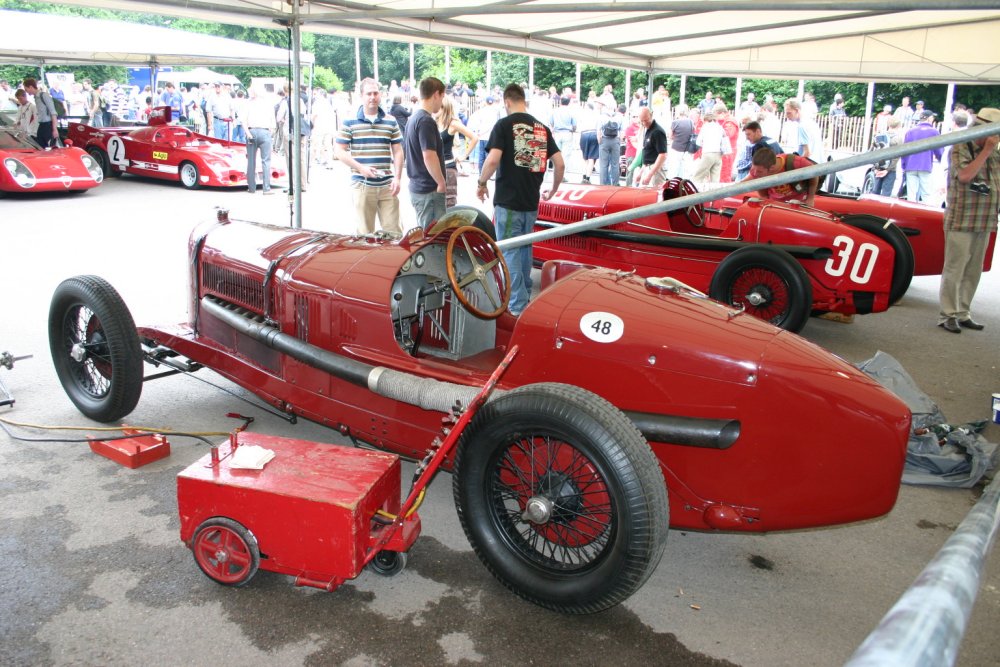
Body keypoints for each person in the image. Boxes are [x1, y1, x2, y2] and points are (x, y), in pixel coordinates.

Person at [476, 83, 564, 317]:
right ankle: (524, 297)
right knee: (525, 247)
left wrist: (481, 183)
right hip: (530, 201)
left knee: (510, 251)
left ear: (507, 102)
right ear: (524, 100)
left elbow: (492, 160)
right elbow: (560, 164)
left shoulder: (504, 125)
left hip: (508, 201)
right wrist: (553, 189)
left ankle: (516, 306)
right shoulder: (542, 129)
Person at [937, 108, 1000, 333]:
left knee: (974, 270)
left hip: (985, 219)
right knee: (955, 268)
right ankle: (948, 314)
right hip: (962, 218)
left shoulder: (995, 153)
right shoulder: (961, 146)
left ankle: (963, 312)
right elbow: (965, 176)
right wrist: (987, 151)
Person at [334, 78, 404, 235]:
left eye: (375, 93)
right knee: (365, 235)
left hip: (387, 184)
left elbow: (398, 151)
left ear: (380, 95)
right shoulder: (350, 121)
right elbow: (339, 150)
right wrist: (360, 168)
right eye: (369, 94)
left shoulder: (390, 121)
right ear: (361, 96)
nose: (373, 97)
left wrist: (398, 178)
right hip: (362, 184)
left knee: (394, 233)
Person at [404, 76, 447, 230]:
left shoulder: (413, 119)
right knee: (434, 237)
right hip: (429, 190)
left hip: (419, 188)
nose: (442, 102)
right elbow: (429, 156)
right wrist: (441, 182)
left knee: (426, 233)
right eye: (442, 96)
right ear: (436, 94)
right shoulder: (425, 121)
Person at [435, 94, 478, 208]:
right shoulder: (433, 122)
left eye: (438, 106)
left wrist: (464, 156)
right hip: (434, 168)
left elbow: (474, 137)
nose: (435, 109)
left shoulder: (453, 123)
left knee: (449, 203)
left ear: (444, 107)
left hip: (448, 167)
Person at [745, 147, 819, 206]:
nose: (755, 173)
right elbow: (762, 195)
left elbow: (815, 174)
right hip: (774, 202)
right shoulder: (756, 169)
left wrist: (810, 198)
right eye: (753, 169)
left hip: (797, 201)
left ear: (772, 168)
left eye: (759, 171)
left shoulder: (796, 162)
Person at [901, 109, 942, 203]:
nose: (933, 119)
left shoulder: (910, 131)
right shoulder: (934, 132)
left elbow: (904, 150)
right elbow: (939, 150)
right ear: (929, 118)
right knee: (926, 193)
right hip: (925, 165)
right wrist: (942, 160)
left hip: (910, 165)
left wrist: (903, 165)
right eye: (932, 117)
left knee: (911, 194)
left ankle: (910, 210)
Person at [243, 86, 276, 196]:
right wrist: (269, 134)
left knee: (251, 161)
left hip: (251, 131)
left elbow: (243, 121)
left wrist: (248, 134)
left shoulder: (248, 104)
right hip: (265, 132)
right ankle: (266, 188)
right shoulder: (268, 104)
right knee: (266, 161)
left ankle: (251, 187)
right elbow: (273, 123)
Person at [692, 111, 729, 183]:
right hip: (718, 154)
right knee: (715, 178)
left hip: (708, 153)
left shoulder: (705, 127)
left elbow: (698, 142)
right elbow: (724, 140)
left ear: (706, 120)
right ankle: (715, 190)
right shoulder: (720, 127)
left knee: (698, 176)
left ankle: (695, 189)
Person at [871, 117, 903, 197]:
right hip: (890, 169)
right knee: (886, 194)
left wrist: (875, 168)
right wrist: (888, 170)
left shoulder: (879, 136)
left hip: (879, 166)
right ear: (899, 126)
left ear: (888, 125)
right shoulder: (898, 138)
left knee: (875, 192)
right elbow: (896, 157)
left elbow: (873, 152)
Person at [468, 96, 501, 173]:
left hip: (481, 136)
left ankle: (481, 173)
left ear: (486, 102)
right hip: (490, 137)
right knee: (488, 156)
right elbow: (493, 125)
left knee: (481, 156)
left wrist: (479, 132)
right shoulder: (495, 112)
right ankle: (488, 173)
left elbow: (477, 123)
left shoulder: (481, 111)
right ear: (493, 102)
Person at [637, 107, 668, 188]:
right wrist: (641, 172)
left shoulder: (657, 131)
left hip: (656, 169)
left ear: (651, 116)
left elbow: (663, 155)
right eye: (641, 121)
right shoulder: (648, 129)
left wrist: (650, 174)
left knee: (655, 193)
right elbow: (648, 153)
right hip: (648, 167)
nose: (644, 123)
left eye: (646, 120)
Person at [22, 78, 56, 147]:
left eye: (26, 89)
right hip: (42, 125)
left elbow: (53, 113)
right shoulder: (36, 98)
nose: (26, 92)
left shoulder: (44, 95)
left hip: (48, 125)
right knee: (39, 145)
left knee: (48, 146)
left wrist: (55, 129)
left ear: (31, 87)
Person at [597, 104, 625, 185]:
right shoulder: (619, 117)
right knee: (615, 164)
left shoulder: (601, 116)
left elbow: (598, 131)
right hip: (615, 141)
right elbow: (622, 132)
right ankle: (615, 184)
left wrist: (600, 142)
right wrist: (619, 140)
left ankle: (603, 184)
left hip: (604, 140)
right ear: (615, 108)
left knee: (603, 164)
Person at [577, 101, 600, 183]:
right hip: (593, 134)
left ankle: (583, 176)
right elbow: (599, 128)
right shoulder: (596, 115)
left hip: (584, 134)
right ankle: (588, 178)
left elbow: (578, 128)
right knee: (591, 158)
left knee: (585, 158)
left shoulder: (582, 115)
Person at [550, 96, 577, 162]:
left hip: (557, 133)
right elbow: (574, 125)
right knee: (566, 154)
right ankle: (564, 167)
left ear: (560, 102)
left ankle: (556, 167)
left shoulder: (555, 111)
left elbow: (551, 123)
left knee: (556, 153)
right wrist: (573, 130)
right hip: (567, 133)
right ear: (569, 103)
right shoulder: (571, 111)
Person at [622, 112, 643, 186]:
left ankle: (637, 187)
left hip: (640, 153)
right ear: (631, 118)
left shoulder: (641, 127)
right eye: (634, 116)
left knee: (640, 172)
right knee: (630, 172)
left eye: (637, 116)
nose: (635, 118)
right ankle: (628, 187)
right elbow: (632, 142)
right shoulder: (630, 128)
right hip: (632, 153)